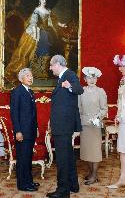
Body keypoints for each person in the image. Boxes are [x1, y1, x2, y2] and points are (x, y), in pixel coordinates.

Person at [5, 0, 66, 84]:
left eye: (45, 0)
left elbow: (52, 22)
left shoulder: (48, 11)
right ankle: (35, 70)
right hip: (36, 31)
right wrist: (36, 28)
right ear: (39, 1)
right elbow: (31, 22)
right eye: (42, 0)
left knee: (52, 41)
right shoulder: (37, 11)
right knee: (40, 41)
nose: (44, 1)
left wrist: (61, 25)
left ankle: (45, 70)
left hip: (47, 31)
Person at [46, 55, 84, 198]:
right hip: (62, 124)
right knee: (68, 156)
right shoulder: (62, 77)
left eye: (51, 65)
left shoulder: (69, 75)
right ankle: (73, 185)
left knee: (62, 159)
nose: (50, 68)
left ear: (57, 64)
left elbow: (79, 89)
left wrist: (70, 86)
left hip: (63, 125)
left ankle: (63, 191)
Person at [10, 68, 39, 191]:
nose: (30, 78)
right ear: (21, 79)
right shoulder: (17, 92)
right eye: (28, 76)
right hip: (22, 132)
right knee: (22, 159)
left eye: (31, 76)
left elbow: (33, 113)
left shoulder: (30, 91)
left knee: (28, 158)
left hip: (31, 131)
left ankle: (29, 181)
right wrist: (18, 131)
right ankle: (23, 185)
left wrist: (36, 127)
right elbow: (14, 113)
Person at [107, 55, 125, 192]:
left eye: (121, 66)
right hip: (124, 121)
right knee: (122, 149)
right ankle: (123, 179)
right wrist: (118, 114)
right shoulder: (123, 81)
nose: (120, 69)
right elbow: (120, 101)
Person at [78, 67, 108, 185]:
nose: (92, 80)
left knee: (95, 151)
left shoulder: (101, 91)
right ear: (85, 79)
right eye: (89, 77)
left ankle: (94, 175)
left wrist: (96, 118)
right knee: (87, 151)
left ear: (97, 79)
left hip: (95, 125)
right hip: (84, 124)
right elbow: (78, 108)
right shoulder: (81, 91)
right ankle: (91, 172)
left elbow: (104, 109)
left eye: (94, 77)